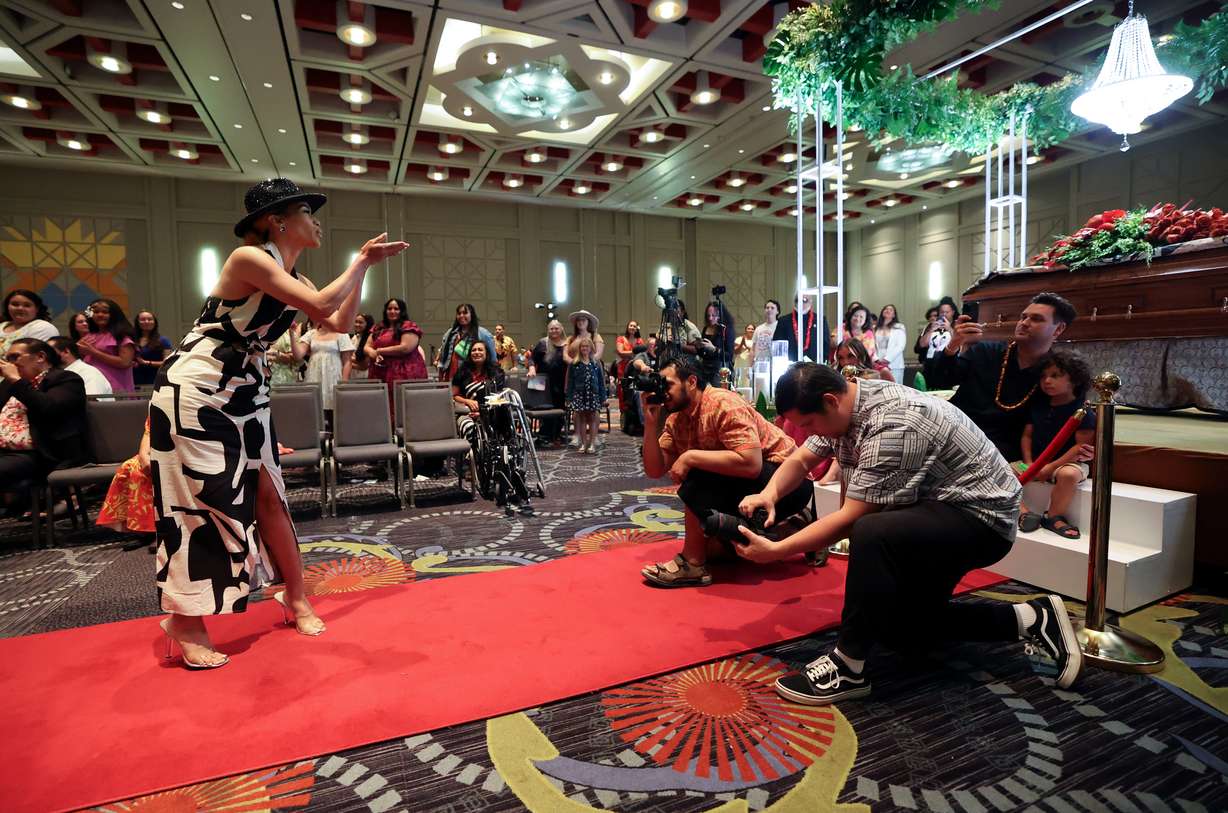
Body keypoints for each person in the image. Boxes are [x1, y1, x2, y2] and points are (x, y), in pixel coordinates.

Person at [150, 177, 407, 668]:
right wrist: (360, 263)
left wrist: (364, 271)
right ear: (278, 220)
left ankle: (295, 595)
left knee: (270, 493)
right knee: (204, 502)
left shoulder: (299, 278)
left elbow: (335, 322)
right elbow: (323, 307)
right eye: (309, 213)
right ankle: (184, 620)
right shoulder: (248, 260)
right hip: (198, 388)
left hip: (247, 390)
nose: (317, 223)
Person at [734, 363, 1084, 705]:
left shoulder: (894, 422)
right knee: (898, 626)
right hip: (937, 510)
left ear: (829, 400)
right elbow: (800, 460)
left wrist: (778, 550)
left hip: (981, 519)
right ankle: (1033, 618)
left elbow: (849, 520)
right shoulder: (848, 403)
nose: (812, 432)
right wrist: (770, 494)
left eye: (809, 423)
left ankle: (848, 665)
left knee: (871, 531)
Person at [638, 355, 812, 587]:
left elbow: (751, 464)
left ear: (691, 381)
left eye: (667, 384)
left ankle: (693, 565)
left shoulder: (722, 403)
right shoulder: (676, 420)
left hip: (788, 482)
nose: (662, 392)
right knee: (717, 550)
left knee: (697, 473)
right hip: (750, 486)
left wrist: (691, 456)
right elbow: (654, 469)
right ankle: (798, 528)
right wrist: (650, 423)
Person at [926, 291, 1082, 461]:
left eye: (1036, 319)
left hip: (1004, 456)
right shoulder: (985, 351)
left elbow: (1067, 418)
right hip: (955, 437)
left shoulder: (1057, 374)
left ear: (1058, 329)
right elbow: (939, 380)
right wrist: (954, 344)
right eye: (1023, 317)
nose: (1024, 323)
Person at [1017, 349, 1096, 540]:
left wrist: (1050, 467)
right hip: (1033, 464)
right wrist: (1029, 463)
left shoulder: (1082, 411)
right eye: (1043, 376)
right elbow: (1027, 436)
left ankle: (1053, 516)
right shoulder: (1037, 407)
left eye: (1055, 376)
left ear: (1075, 379)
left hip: (1065, 464)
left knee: (1069, 474)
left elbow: (1080, 448)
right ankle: (1022, 512)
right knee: (999, 470)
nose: (1047, 381)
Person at [0, 338, 87, 494]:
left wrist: (16, 380)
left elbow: (49, 408)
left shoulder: (66, 379)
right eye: (7, 359)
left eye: (15, 357)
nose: (9, 364)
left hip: (38, 453)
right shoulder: (8, 385)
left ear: (40, 357)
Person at [453, 340, 506, 460]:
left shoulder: (496, 372)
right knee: (468, 426)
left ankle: (494, 458)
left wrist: (482, 412)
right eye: (474, 350)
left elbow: (499, 396)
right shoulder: (462, 371)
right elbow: (454, 395)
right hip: (466, 412)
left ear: (486, 353)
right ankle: (472, 462)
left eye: (480, 350)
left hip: (491, 412)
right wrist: (468, 401)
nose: (477, 352)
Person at [296, 319, 354, 424]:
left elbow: (347, 362)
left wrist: (343, 384)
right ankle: (317, 439)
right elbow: (298, 355)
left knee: (334, 414)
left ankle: (333, 438)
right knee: (314, 412)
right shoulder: (311, 334)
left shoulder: (341, 334)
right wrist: (292, 334)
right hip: (314, 375)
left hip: (333, 377)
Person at [80, 298, 137, 392]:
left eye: (105, 312)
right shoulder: (90, 335)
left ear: (114, 314)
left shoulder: (122, 335)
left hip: (116, 389)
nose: (100, 315)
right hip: (92, 386)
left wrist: (93, 352)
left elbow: (125, 362)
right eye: (96, 312)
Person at [528, 320, 569, 446]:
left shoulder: (567, 344)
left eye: (556, 328)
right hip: (543, 383)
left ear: (561, 329)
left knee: (560, 410)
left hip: (562, 383)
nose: (554, 331)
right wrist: (532, 368)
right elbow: (531, 358)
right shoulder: (543, 343)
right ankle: (544, 436)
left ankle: (555, 435)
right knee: (545, 409)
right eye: (551, 328)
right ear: (548, 330)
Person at [567, 336, 607, 454]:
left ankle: (592, 443)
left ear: (591, 348)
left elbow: (601, 381)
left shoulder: (595, 363)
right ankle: (584, 444)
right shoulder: (575, 363)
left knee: (593, 418)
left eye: (587, 346)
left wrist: (603, 396)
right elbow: (570, 382)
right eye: (582, 346)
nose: (585, 348)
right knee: (582, 419)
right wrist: (569, 398)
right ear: (580, 348)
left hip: (593, 394)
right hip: (579, 394)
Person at [439, 303, 495, 382]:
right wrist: (441, 377)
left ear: (471, 314)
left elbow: (493, 360)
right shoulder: (450, 333)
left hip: (473, 377)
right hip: (451, 376)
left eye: (465, 313)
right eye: (459, 313)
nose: (461, 316)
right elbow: (443, 357)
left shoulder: (483, 333)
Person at [48, 336, 113, 397]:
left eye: (49, 351)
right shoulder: (54, 374)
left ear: (66, 351)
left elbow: (91, 402)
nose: (46, 356)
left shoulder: (88, 373)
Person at [774, 295, 830, 364]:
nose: (800, 303)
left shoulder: (820, 320)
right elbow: (777, 346)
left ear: (811, 302)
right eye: (797, 300)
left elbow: (826, 344)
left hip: (815, 366)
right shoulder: (783, 321)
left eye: (804, 300)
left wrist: (823, 364)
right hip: (790, 366)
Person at [0, 289, 58, 354]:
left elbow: (34, 359)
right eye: (15, 304)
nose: (20, 308)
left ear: (37, 309)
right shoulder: (2, 325)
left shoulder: (43, 327)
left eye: (27, 305)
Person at [700, 301, 736, 385]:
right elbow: (703, 353)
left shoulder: (726, 329)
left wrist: (714, 349)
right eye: (708, 315)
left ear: (720, 315)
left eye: (713, 315)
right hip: (705, 368)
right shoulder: (706, 328)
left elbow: (729, 356)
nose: (710, 318)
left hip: (719, 370)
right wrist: (699, 347)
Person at [874, 304, 907, 384]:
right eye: (885, 309)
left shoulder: (899, 327)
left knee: (895, 388)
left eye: (891, 310)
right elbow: (872, 346)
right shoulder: (875, 328)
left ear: (894, 315)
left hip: (894, 363)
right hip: (878, 362)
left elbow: (900, 346)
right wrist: (876, 359)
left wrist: (887, 359)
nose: (887, 310)